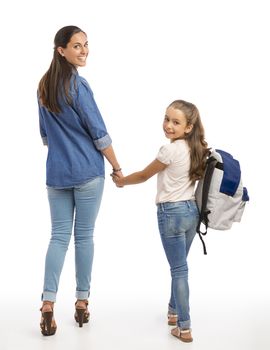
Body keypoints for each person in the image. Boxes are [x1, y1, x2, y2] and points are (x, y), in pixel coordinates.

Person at [37, 25, 123, 336]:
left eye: (86, 45)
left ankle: (47, 303)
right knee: (84, 237)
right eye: (76, 46)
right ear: (61, 49)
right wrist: (117, 167)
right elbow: (99, 133)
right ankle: (82, 303)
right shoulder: (78, 86)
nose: (83, 51)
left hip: (57, 173)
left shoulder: (43, 87)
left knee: (58, 237)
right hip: (87, 172)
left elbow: (46, 136)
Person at [112, 100, 209, 343]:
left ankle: (184, 328)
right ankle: (173, 311)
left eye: (176, 122)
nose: (168, 125)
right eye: (166, 119)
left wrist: (121, 181)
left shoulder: (170, 150)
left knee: (179, 270)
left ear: (188, 127)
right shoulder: (196, 148)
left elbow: (144, 175)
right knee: (180, 267)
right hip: (191, 213)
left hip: (171, 213)